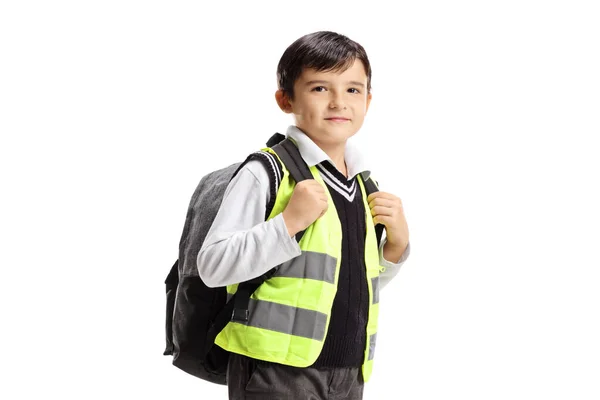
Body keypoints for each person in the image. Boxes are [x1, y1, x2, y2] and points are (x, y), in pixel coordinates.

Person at [197, 30, 411, 400]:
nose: (338, 102)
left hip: (348, 371)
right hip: (274, 372)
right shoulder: (267, 172)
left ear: (368, 101)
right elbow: (213, 266)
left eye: (353, 90)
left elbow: (336, 284)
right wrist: (288, 224)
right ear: (285, 99)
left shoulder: (362, 184)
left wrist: (394, 250)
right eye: (319, 88)